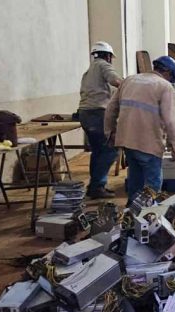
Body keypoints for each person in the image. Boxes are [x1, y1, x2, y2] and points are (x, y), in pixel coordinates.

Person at [104, 56, 175, 204]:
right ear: (167, 72)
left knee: (135, 177)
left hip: (127, 141)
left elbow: (110, 109)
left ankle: (131, 211)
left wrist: (110, 133)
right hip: (149, 143)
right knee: (152, 184)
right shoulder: (164, 86)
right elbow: (172, 120)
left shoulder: (129, 80)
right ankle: (148, 215)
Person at [78, 41, 122, 199]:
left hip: (85, 113)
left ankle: (96, 186)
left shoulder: (89, 70)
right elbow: (116, 81)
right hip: (97, 113)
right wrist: (132, 87)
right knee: (111, 149)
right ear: (108, 56)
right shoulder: (103, 65)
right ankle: (97, 185)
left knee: (98, 151)